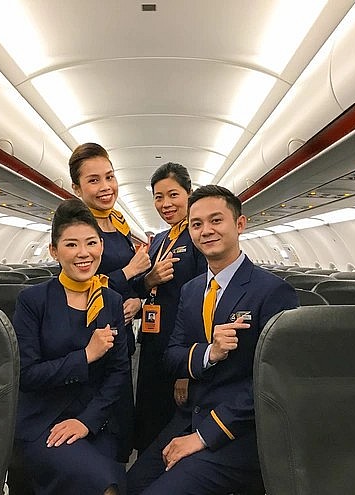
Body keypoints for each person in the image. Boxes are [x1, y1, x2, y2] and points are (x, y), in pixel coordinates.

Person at [127, 185, 299, 494]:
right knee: (131, 484)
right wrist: (209, 353)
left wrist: (203, 436)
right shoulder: (192, 290)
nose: (206, 230)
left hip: (238, 432)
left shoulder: (273, 292)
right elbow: (173, 356)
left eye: (216, 220)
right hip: (188, 418)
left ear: (240, 224)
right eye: (197, 224)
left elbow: (274, 382)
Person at [12, 198, 129, 494]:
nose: (83, 253)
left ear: (101, 245)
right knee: (104, 486)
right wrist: (86, 356)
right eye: (71, 244)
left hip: (96, 420)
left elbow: (119, 373)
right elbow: (27, 374)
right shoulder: (33, 301)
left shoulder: (111, 301)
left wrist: (87, 422)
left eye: (91, 243)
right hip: (45, 421)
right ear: (54, 250)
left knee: (116, 480)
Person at [69, 142, 151, 462]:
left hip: (121, 337)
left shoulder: (118, 223)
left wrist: (138, 300)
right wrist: (129, 271)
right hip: (89, 336)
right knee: (95, 429)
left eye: (110, 176)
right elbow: (80, 284)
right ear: (77, 189)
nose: (106, 186)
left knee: (120, 426)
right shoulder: (77, 228)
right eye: (94, 180)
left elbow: (127, 285)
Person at [131, 162, 207, 454]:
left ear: (189, 193)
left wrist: (188, 370)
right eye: (158, 197)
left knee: (173, 420)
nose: (165, 204)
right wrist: (148, 279)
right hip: (153, 341)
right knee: (149, 416)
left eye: (173, 195)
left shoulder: (198, 237)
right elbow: (142, 286)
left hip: (181, 347)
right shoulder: (160, 240)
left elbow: (203, 307)